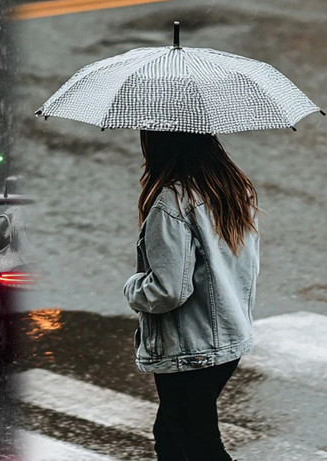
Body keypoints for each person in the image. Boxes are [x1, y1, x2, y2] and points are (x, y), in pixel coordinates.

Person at [123, 130, 260, 461]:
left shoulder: (171, 202)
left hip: (190, 348)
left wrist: (133, 288)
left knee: (199, 447)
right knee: (172, 437)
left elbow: (168, 290)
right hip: (228, 340)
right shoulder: (234, 191)